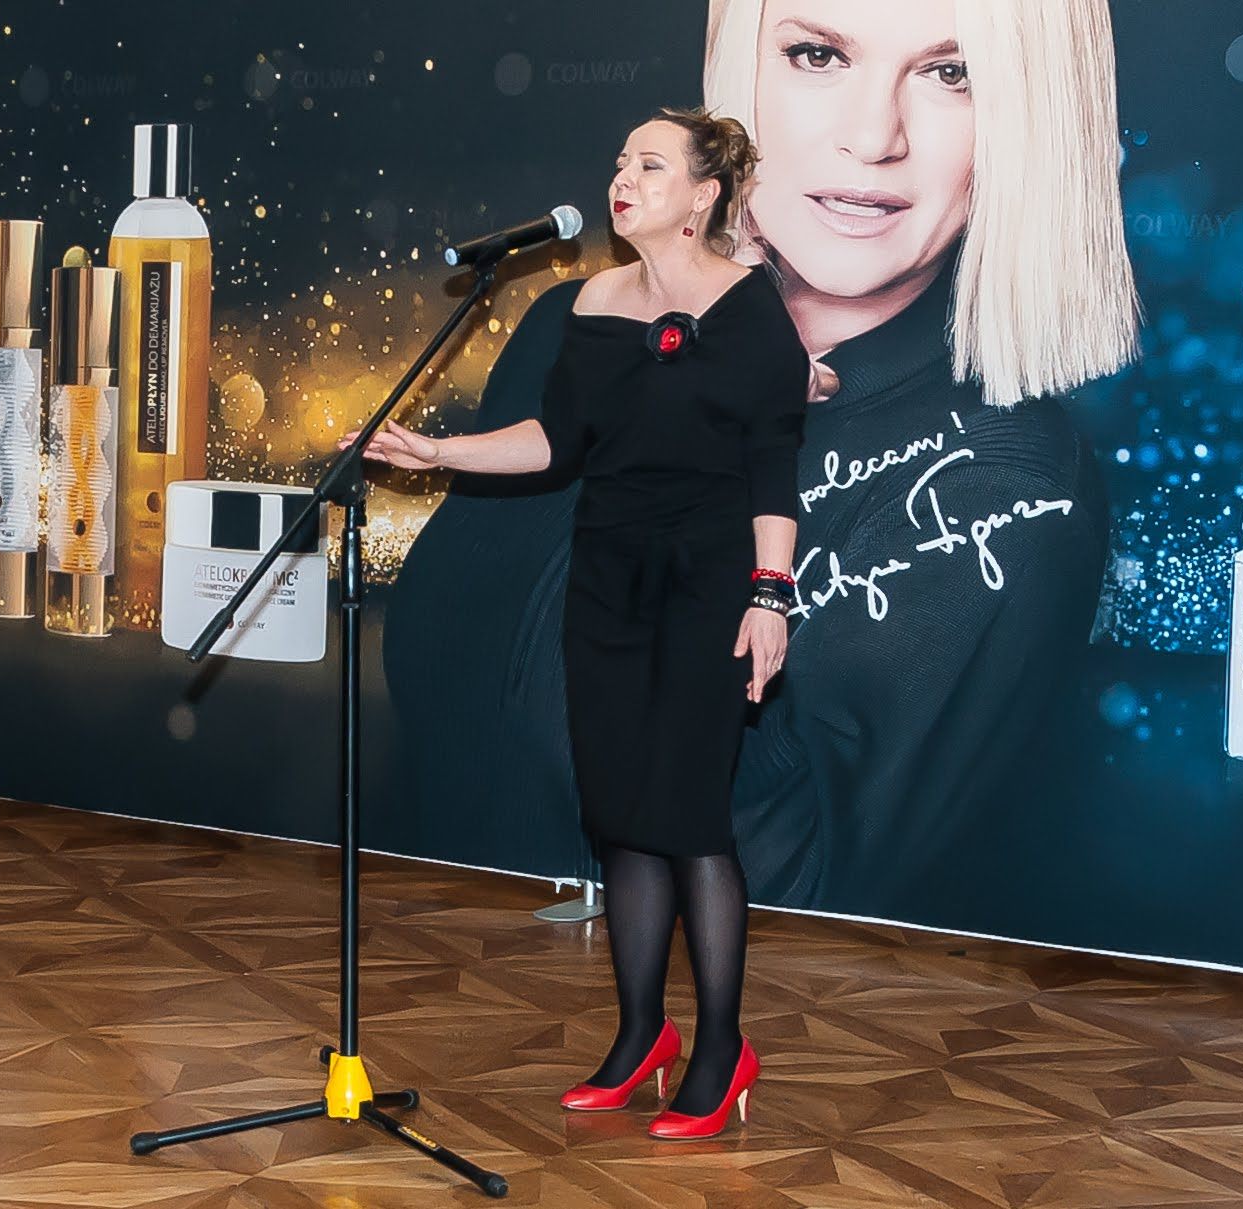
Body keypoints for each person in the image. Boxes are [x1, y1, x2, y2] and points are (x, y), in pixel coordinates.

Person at [384, 0, 1140, 926]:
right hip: (436, 957)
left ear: (1032, 119)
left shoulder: (1006, 484)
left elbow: (804, 908)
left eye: (953, 74)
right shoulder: (568, 331)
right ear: (737, 73)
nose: (874, 137)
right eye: (818, 55)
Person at [347, 110, 811, 1140]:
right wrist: (439, 453)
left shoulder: (753, 311)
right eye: (618, 162)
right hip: (605, 584)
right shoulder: (594, 302)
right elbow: (555, 442)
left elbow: (773, 469)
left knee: (689, 821)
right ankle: (640, 1034)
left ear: (703, 196)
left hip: (709, 590)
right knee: (621, 818)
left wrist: (768, 595)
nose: (622, 177)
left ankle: (721, 1049)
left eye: (649, 164)